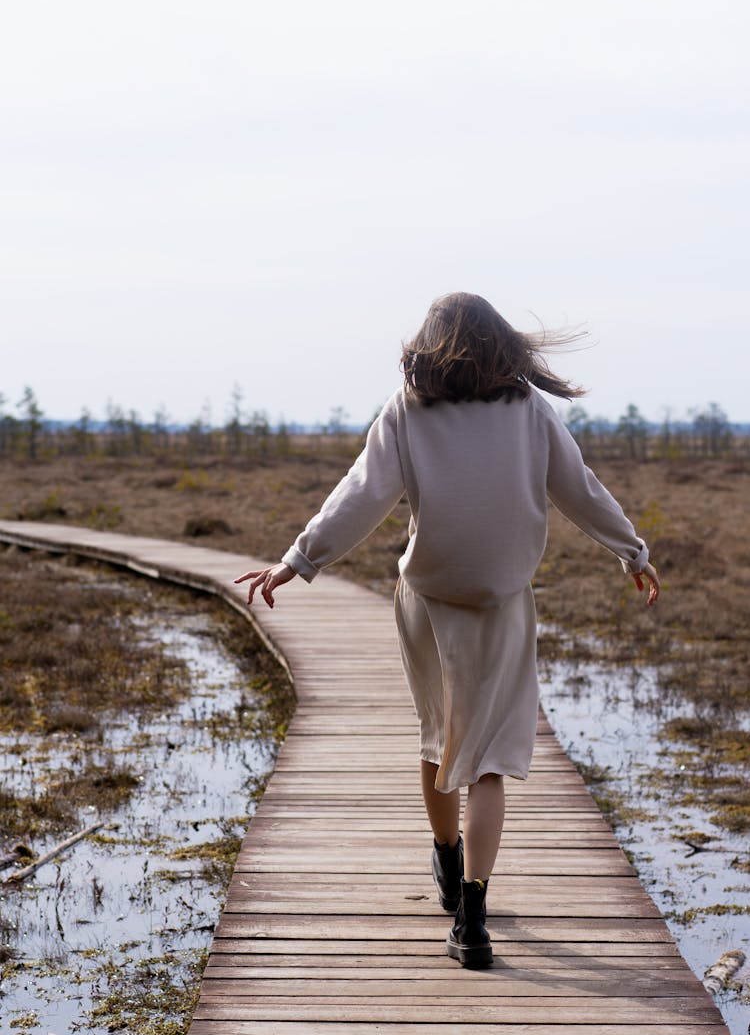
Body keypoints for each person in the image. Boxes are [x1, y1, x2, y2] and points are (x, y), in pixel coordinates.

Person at [235, 292, 660, 970]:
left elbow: (360, 495)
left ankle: (443, 857)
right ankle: (473, 919)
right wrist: (631, 551)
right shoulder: (529, 412)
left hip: (425, 602)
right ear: (503, 345)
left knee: (438, 736)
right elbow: (580, 488)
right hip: (501, 605)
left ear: (427, 346)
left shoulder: (408, 410)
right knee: (487, 762)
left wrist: (298, 560)